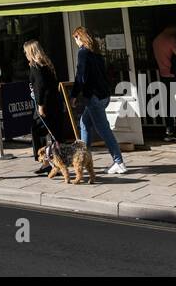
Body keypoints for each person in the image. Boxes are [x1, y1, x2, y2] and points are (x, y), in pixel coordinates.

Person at [72, 26, 126, 175]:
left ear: (79, 37)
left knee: (104, 129)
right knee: (84, 123)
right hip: (104, 95)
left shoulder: (83, 52)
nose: (75, 41)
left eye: (75, 38)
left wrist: (74, 94)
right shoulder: (97, 54)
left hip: (94, 97)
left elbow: (80, 76)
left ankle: (119, 162)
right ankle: (84, 159)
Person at [25, 39, 63, 172]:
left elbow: (41, 86)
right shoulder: (46, 63)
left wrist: (40, 105)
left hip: (45, 104)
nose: (25, 54)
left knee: (38, 130)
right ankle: (54, 161)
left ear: (30, 51)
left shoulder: (35, 66)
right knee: (53, 132)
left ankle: (47, 161)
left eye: (26, 52)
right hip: (54, 102)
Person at [152, 23, 176, 140]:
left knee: (168, 104)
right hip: (174, 75)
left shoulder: (156, 40)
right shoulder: (171, 40)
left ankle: (169, 130)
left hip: (163, 75)